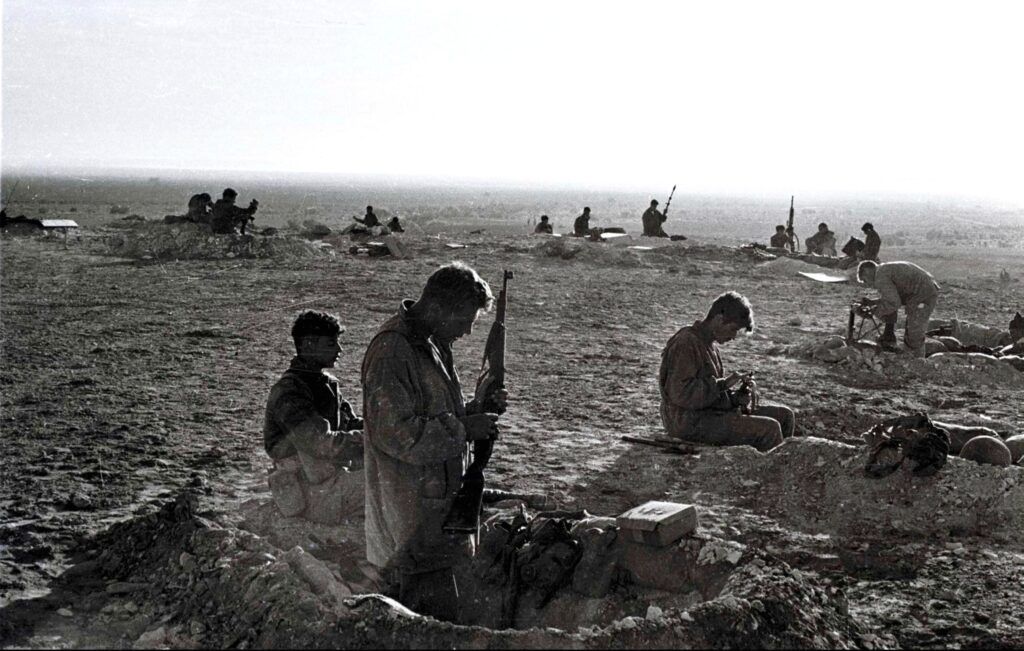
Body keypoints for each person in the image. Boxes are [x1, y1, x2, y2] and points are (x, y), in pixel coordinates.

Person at [361, 262, 506, 622]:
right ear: (438, 309)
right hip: (407, 519)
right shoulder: (393, 351)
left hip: (433, 511)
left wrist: (475, 410)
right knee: (419, 619)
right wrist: (464, 430)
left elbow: (436, 410)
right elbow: (397, 435)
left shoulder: (431, 343)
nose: (468, 333)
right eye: (463, 322)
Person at [263, 311, 365, 528]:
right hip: (310, 491)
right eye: (331, 344)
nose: (339, 350)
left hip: (327, 479)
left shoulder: (325, 383)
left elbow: (350, 422)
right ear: (308, 345)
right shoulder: (289, 391)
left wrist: (381, 428)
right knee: (392, 487)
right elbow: (321, 443)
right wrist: (368, 439)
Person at [658, 291, 795, 452]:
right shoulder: (686, 343)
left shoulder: (709, 345)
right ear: (719, 319)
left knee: (785, 416)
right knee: (769, 429)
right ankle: (772, 475)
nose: (734, 336)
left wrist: (735, 399)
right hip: (687, 422)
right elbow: (680, 393)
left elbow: (708, 395)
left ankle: (783, 469)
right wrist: (722, 385)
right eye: (733, 329)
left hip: (705, 414)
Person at [856, 260, 940, 357]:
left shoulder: (880, 276)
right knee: (911, 332)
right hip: (922, 293)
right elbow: (893, 297)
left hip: (923, 296)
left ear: (867, 272)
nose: (868, 284)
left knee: (914, 334)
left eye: (865, 280)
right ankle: (910, 356)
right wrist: (873, 302)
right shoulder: (884, 269)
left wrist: (874, 311)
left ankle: (918, 363)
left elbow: (894, 303)